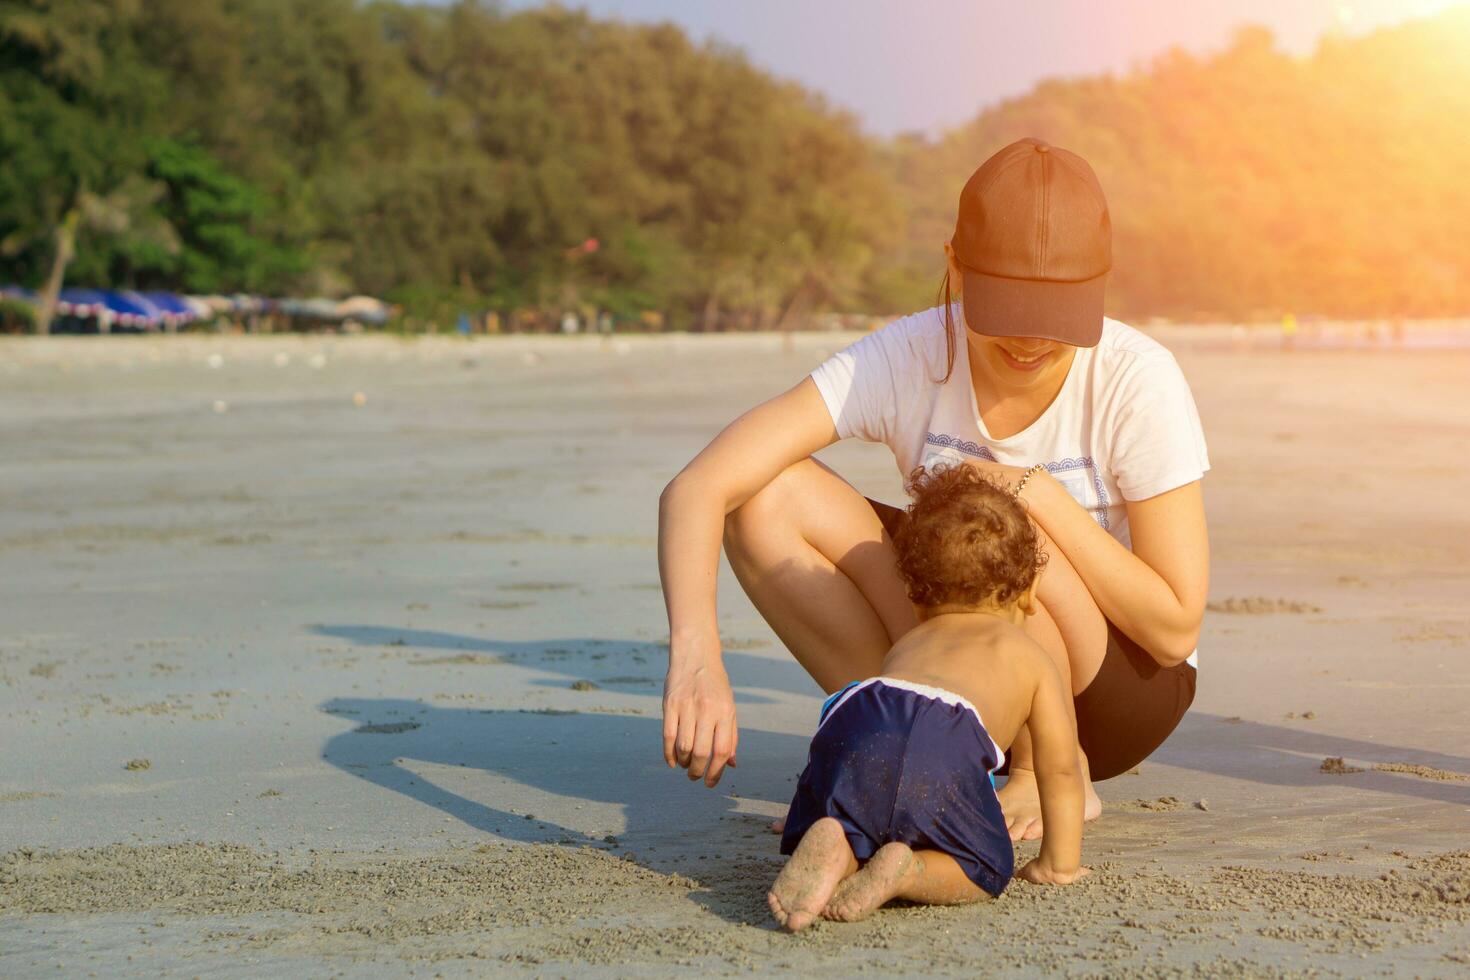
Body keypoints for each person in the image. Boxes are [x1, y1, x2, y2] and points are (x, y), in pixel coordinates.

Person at [658, 137, 1209, 841]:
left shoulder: (1137, 378)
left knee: (1001, 522)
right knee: (765, 499)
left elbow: (1171, 629)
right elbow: (699, 485)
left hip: (1116, 690)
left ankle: (1045, 773)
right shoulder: (908, 356)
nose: (1031, 339)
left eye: (1057, 313)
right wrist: (698, 656)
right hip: (958, 652)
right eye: (1006, 306)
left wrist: (1040, 497)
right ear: (955, 264)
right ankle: (914, 748)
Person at [768, 465, 1088, 932]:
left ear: (914, 592)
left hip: (859, 709)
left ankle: (837, 841)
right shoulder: (1031, 657)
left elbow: (895, 731)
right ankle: (909, 871)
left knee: (868, 821)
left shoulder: (909, 644)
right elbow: (1058, 769)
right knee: (982, 865)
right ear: (1030, 590)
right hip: (947, 732)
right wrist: (1058, 863)